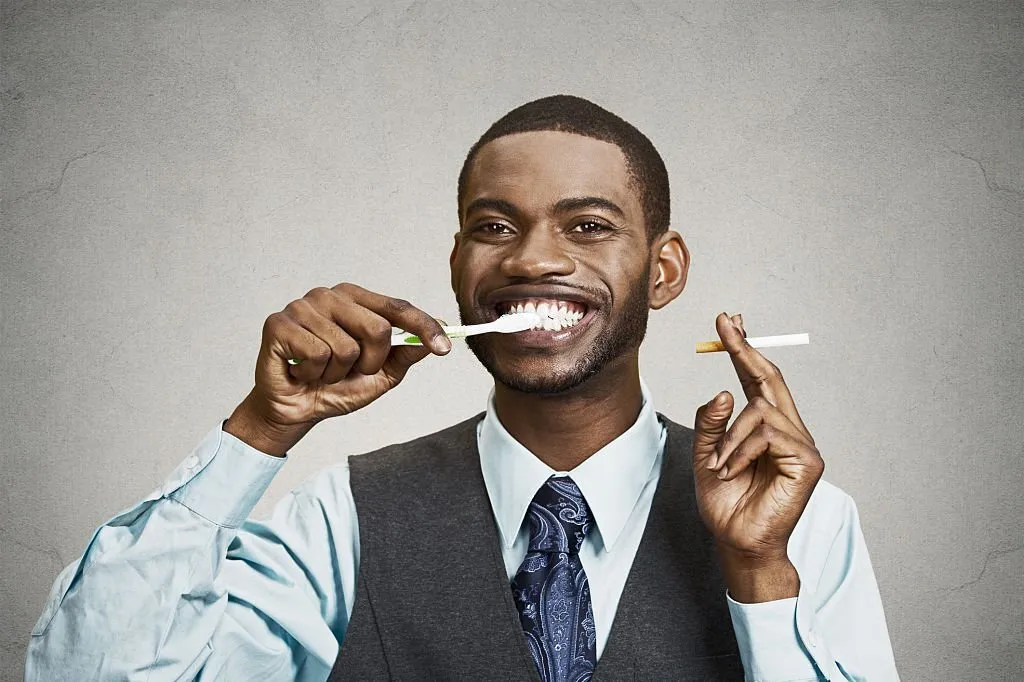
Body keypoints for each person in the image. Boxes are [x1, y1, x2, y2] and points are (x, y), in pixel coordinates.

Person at [25, 96, 898, 681]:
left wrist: (758, 576)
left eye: (588, 226)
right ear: (457, 265)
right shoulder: (342, 521)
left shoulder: (801, 522)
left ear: (663, 271)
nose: (531, 260)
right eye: (494, 227)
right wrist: (260, 429)